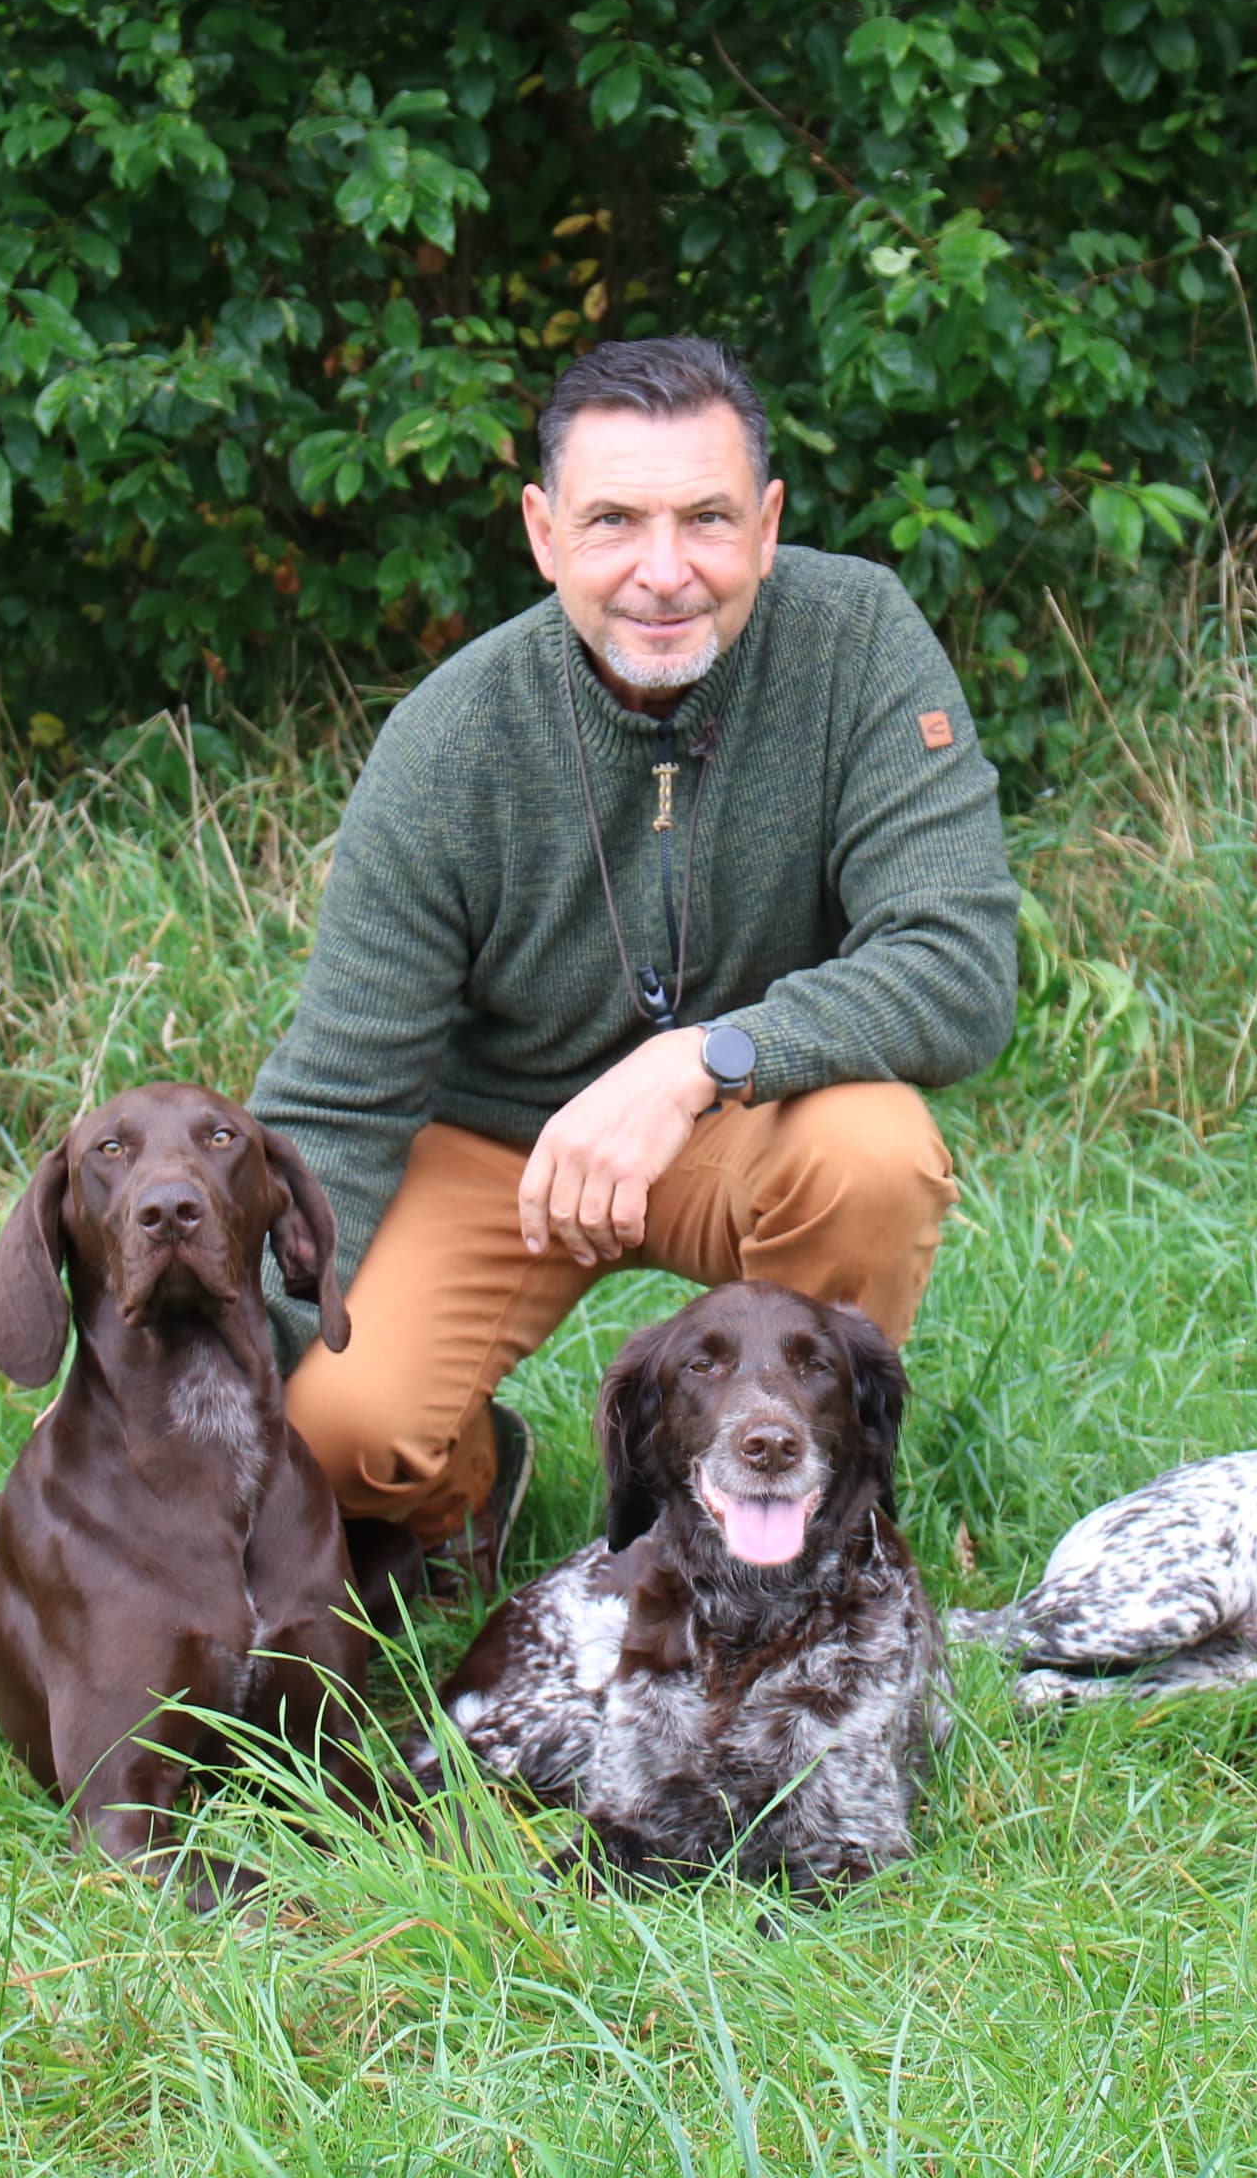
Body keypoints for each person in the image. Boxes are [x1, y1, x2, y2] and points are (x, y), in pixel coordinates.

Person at [246, 335, 1021, 1611]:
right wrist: (206, 1370)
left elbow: (958, 966)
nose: (664, 573)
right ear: (544, 532)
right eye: (614, 522)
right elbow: (339, 1098)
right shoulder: (447, 740)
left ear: (767, 526)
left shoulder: (858, 640)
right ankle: (473, 1485)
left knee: (876, 1151)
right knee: (337, 1433)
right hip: (504, 1150)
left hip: (744, 1120)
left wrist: (703, 1059)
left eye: (707, 519)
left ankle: (810, 1520)